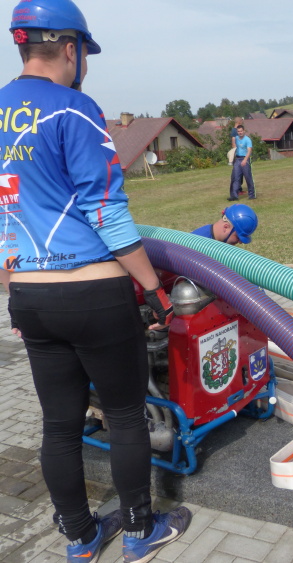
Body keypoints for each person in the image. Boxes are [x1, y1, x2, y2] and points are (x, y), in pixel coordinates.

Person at [1, 2, 192, 561]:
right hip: (93, 291)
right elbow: (105, 210)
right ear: (71, 49)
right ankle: (139, 531)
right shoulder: (76, 109)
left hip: (29, 293)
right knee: (126, 415)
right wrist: (154, 289)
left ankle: (81, 539)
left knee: (59, 426)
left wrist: (14, 291)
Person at [191, 204, 258, 245]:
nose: (240, 242)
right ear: (226, 227)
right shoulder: (200, 246)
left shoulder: (216, 241)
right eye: (237, 237)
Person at [229, 124, 255, 200]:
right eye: (238, 131)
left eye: (241, 131)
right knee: (235, 177)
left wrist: (245, 160)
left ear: (244, 131)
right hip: (238, 159)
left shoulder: (247, 139)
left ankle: (252, 195)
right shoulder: (236, 138)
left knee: (248, 177)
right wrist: (234, 131)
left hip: (245, 158)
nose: (240, 132)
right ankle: (234, 196)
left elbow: (249, 151)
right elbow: (233, 145)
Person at [230, 117, 245, 194]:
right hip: (237, 156)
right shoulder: (235, 131)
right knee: (238, 173)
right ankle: (238, 190)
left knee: (240, 172)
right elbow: (233, 143)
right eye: (241, 121)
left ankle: (239, 189)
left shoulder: (234, 130)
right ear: (239, 122)